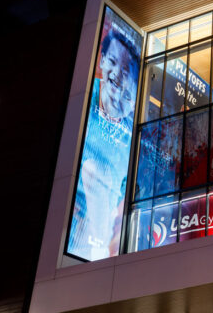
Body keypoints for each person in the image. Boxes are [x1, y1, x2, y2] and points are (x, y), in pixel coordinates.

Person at [70, 29, 139, 260]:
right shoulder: (84, 100)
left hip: (104, 237)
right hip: (70, 229)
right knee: (94, 167)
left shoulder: (131, 131)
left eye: (126, 71)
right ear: (101, 61)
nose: (117, 74)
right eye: (111, 61)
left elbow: (126, 194)